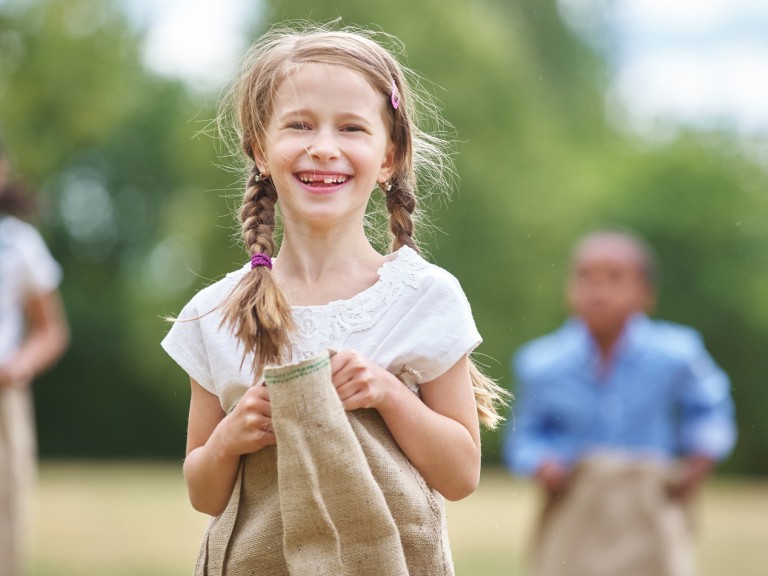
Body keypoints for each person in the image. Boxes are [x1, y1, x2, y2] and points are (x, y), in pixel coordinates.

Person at [161, 23, 506, 575]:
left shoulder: (424, 297)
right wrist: (229, 438)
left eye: (351, 128)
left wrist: (390, 395)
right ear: (260, 148)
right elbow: (203, 494)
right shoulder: (216, 311)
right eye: (299, 125)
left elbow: (461, 474)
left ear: (388, 157)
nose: (324, 148)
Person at [504, 229, 736, 576]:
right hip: (575, 503)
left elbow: (710, 411)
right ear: (569, 289)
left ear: (646, 293)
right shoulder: (542, 363)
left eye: (615, 278)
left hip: (650, 503)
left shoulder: (677, 354)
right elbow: (525, 434)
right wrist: (541, 462)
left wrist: (698, 461)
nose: (598, 291)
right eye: (585, 278)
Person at [0, 137, 70, 576]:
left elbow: (51, 330)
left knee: (6, 515)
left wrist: (17, 366)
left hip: (3, 396)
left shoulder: (19, 245)